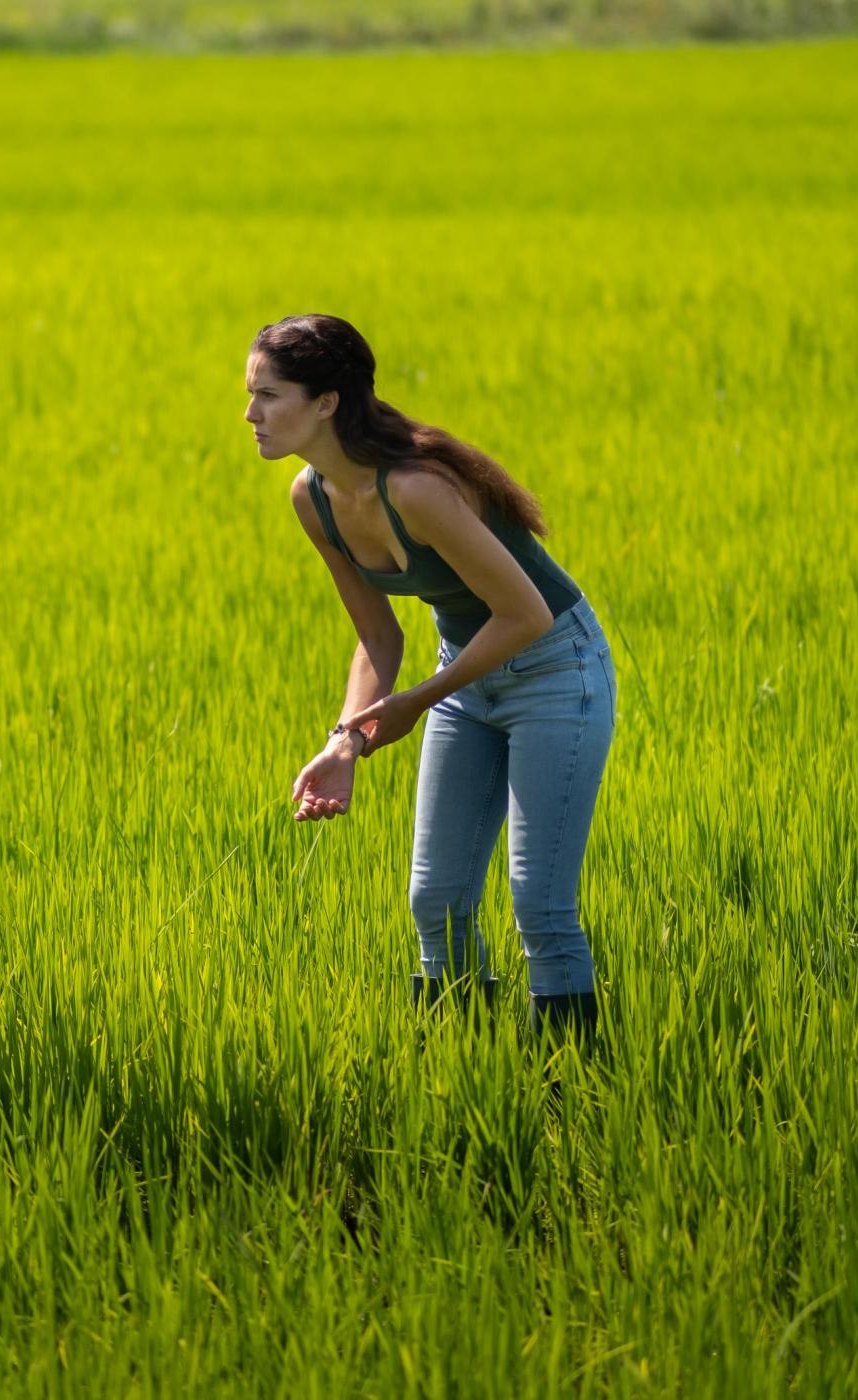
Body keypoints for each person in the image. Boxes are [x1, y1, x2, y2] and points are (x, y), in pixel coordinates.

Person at [248, 314, 615, 1039]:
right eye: (250, 394)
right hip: (464, 680)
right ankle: (464, 1075)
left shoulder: (416, 489)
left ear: (326, 403)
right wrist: (345, 740)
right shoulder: (312, 497)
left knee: (538, 902)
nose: (250, 414)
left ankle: (574, 1096)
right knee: (436, 901)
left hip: (554, 671)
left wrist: (417, 701)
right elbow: (377, 635)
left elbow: (525, 614)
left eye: (269, 395)